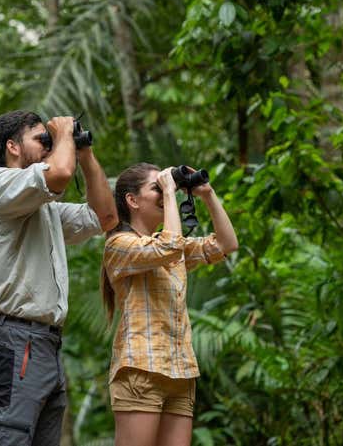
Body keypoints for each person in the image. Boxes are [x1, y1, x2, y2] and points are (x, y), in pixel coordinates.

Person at [0, 110, 117, 446]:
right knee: (11, 440)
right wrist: (64, 132)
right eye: (42, 140)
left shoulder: (43, 209)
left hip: (46, 343)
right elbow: (61, 173)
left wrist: (85, 154)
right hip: (18, 339)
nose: (50, 147)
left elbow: (106, 217)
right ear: (13, 147)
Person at [100, 163, 239, 446]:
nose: (167, 192)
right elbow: (168, 247)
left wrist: (207, 194)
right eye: (157, 188)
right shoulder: (119, 244)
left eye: (167, 187)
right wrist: (170, 192)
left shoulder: (171, 247)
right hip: (142, 369)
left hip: (180, 372)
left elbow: (227, 244)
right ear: (132, 200)